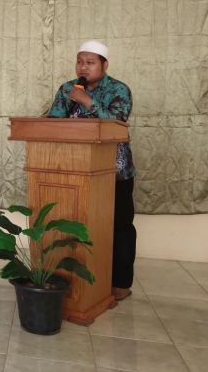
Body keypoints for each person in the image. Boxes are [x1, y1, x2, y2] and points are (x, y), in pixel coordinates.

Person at [47, 40, 136, 301]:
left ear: (104, 65)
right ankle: (76, 280)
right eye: (79, 62)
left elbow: (117, 125)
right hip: (74, 171)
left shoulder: (119, 89)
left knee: (119, 227)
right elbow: (53, 124)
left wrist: (87, 101)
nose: (83, 67)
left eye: (90, 62)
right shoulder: (67, 89)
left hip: (115, 173)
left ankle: (120, 283)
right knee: (78, 224)